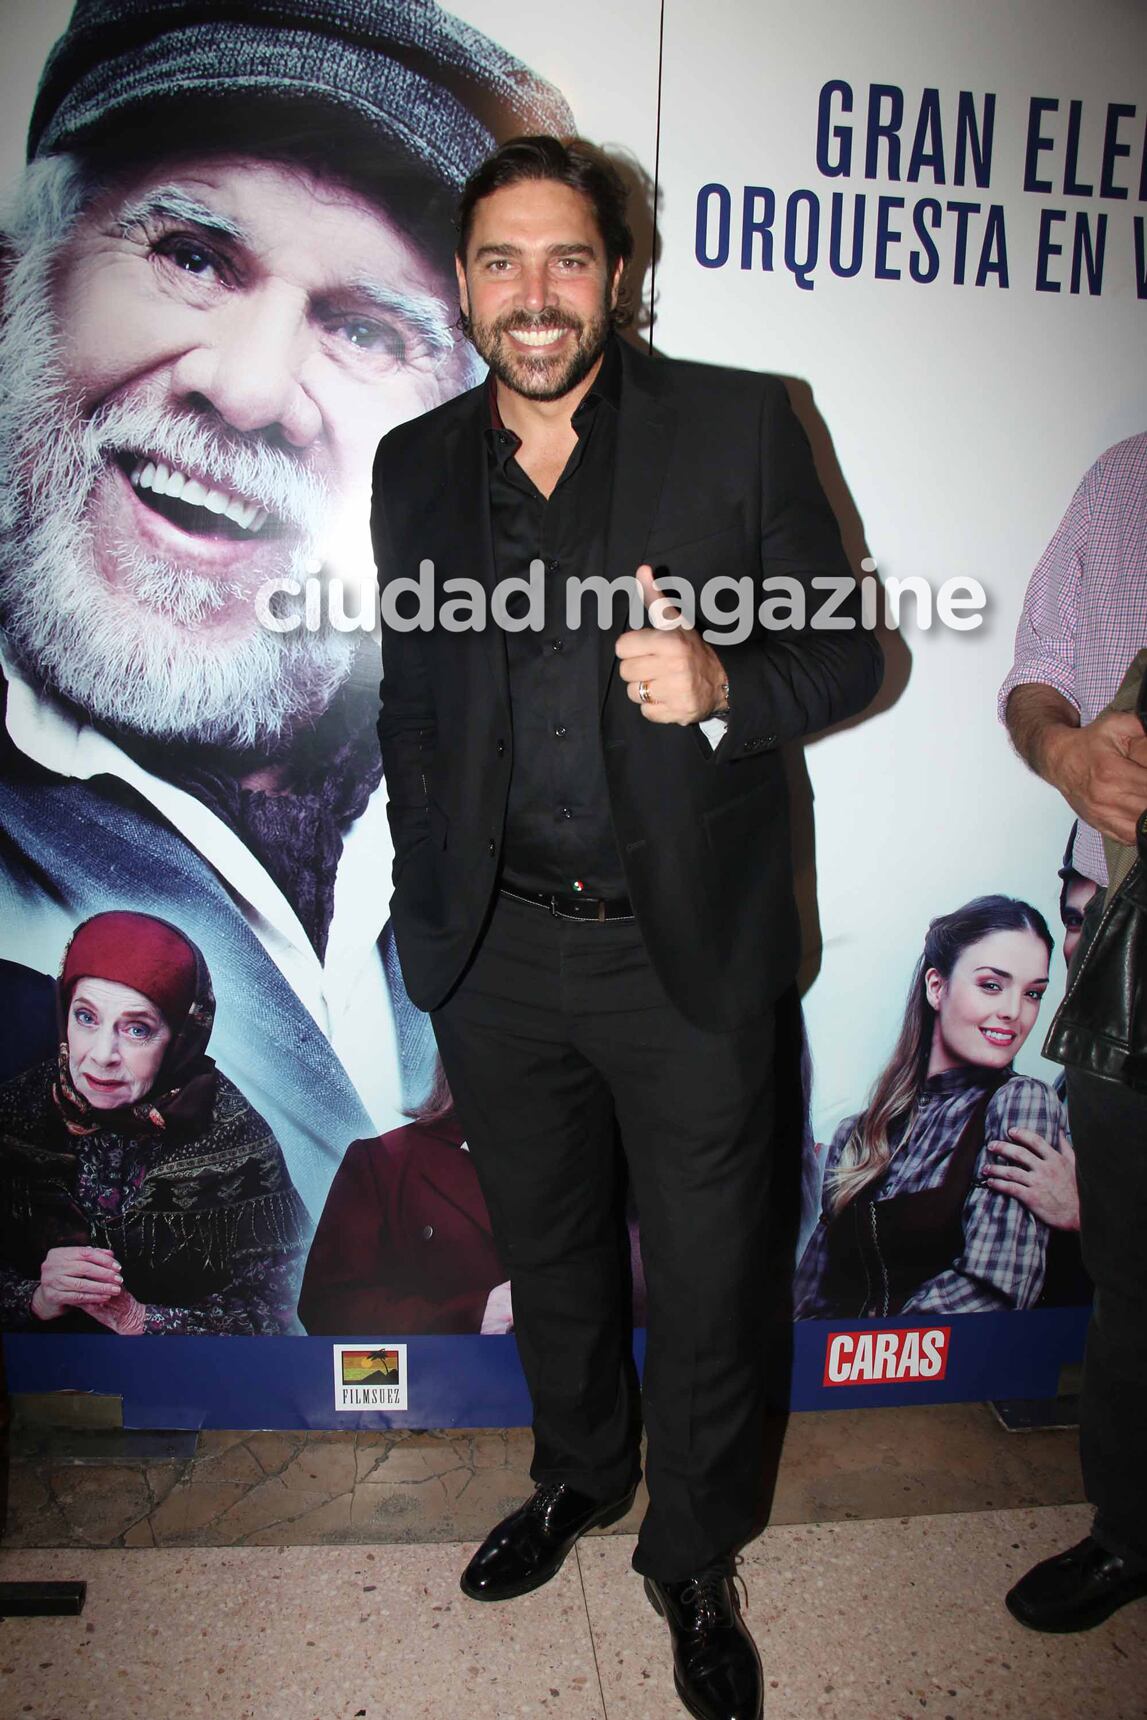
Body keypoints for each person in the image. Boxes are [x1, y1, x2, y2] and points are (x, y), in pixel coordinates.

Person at [372, 136, 883, 1720]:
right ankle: (581, 1476)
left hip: (687, 953)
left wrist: (725, 681)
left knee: (719, 1273)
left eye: (568, 260)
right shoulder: (407, 463)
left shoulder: (737, 423)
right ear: (462, 285)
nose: (536, 296)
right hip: (498, 953)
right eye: (502, 263)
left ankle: (691, 1554)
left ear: (618, 274)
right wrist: (422, 904)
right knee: (555, 1252)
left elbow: (854, 653)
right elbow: (414, 707)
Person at [0, 0, 572, 1221]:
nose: (251, 389)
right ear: (19, 279)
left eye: (366, 331)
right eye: (192, 256)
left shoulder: (536, 779)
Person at [999, 432, 1147, 1632]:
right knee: (1134, 1272)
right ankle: (1129, 1531)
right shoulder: (1125, 475)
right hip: (1132, 950)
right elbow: (1036, 677)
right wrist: (1063, 750)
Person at [0, 911, 310, 1335]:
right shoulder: (17, 1111)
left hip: (182, 1384)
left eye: (137, 1030)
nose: (102, 1053)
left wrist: (142, 1320)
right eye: (86, 1018)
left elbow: (287, 1304)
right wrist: (35, 1299)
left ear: (182, 1035)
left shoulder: (231, 1131)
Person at [794, 896, 1064, 1318]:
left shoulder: (1022, 1103)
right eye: (992, 985)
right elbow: (807, 1302)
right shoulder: (858, 1134)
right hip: (843, 1375)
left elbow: (996, 1289)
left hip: (953, 1377)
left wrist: (871, 1357)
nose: (1014, 1012)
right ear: (937, 987)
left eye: (1033, 994)